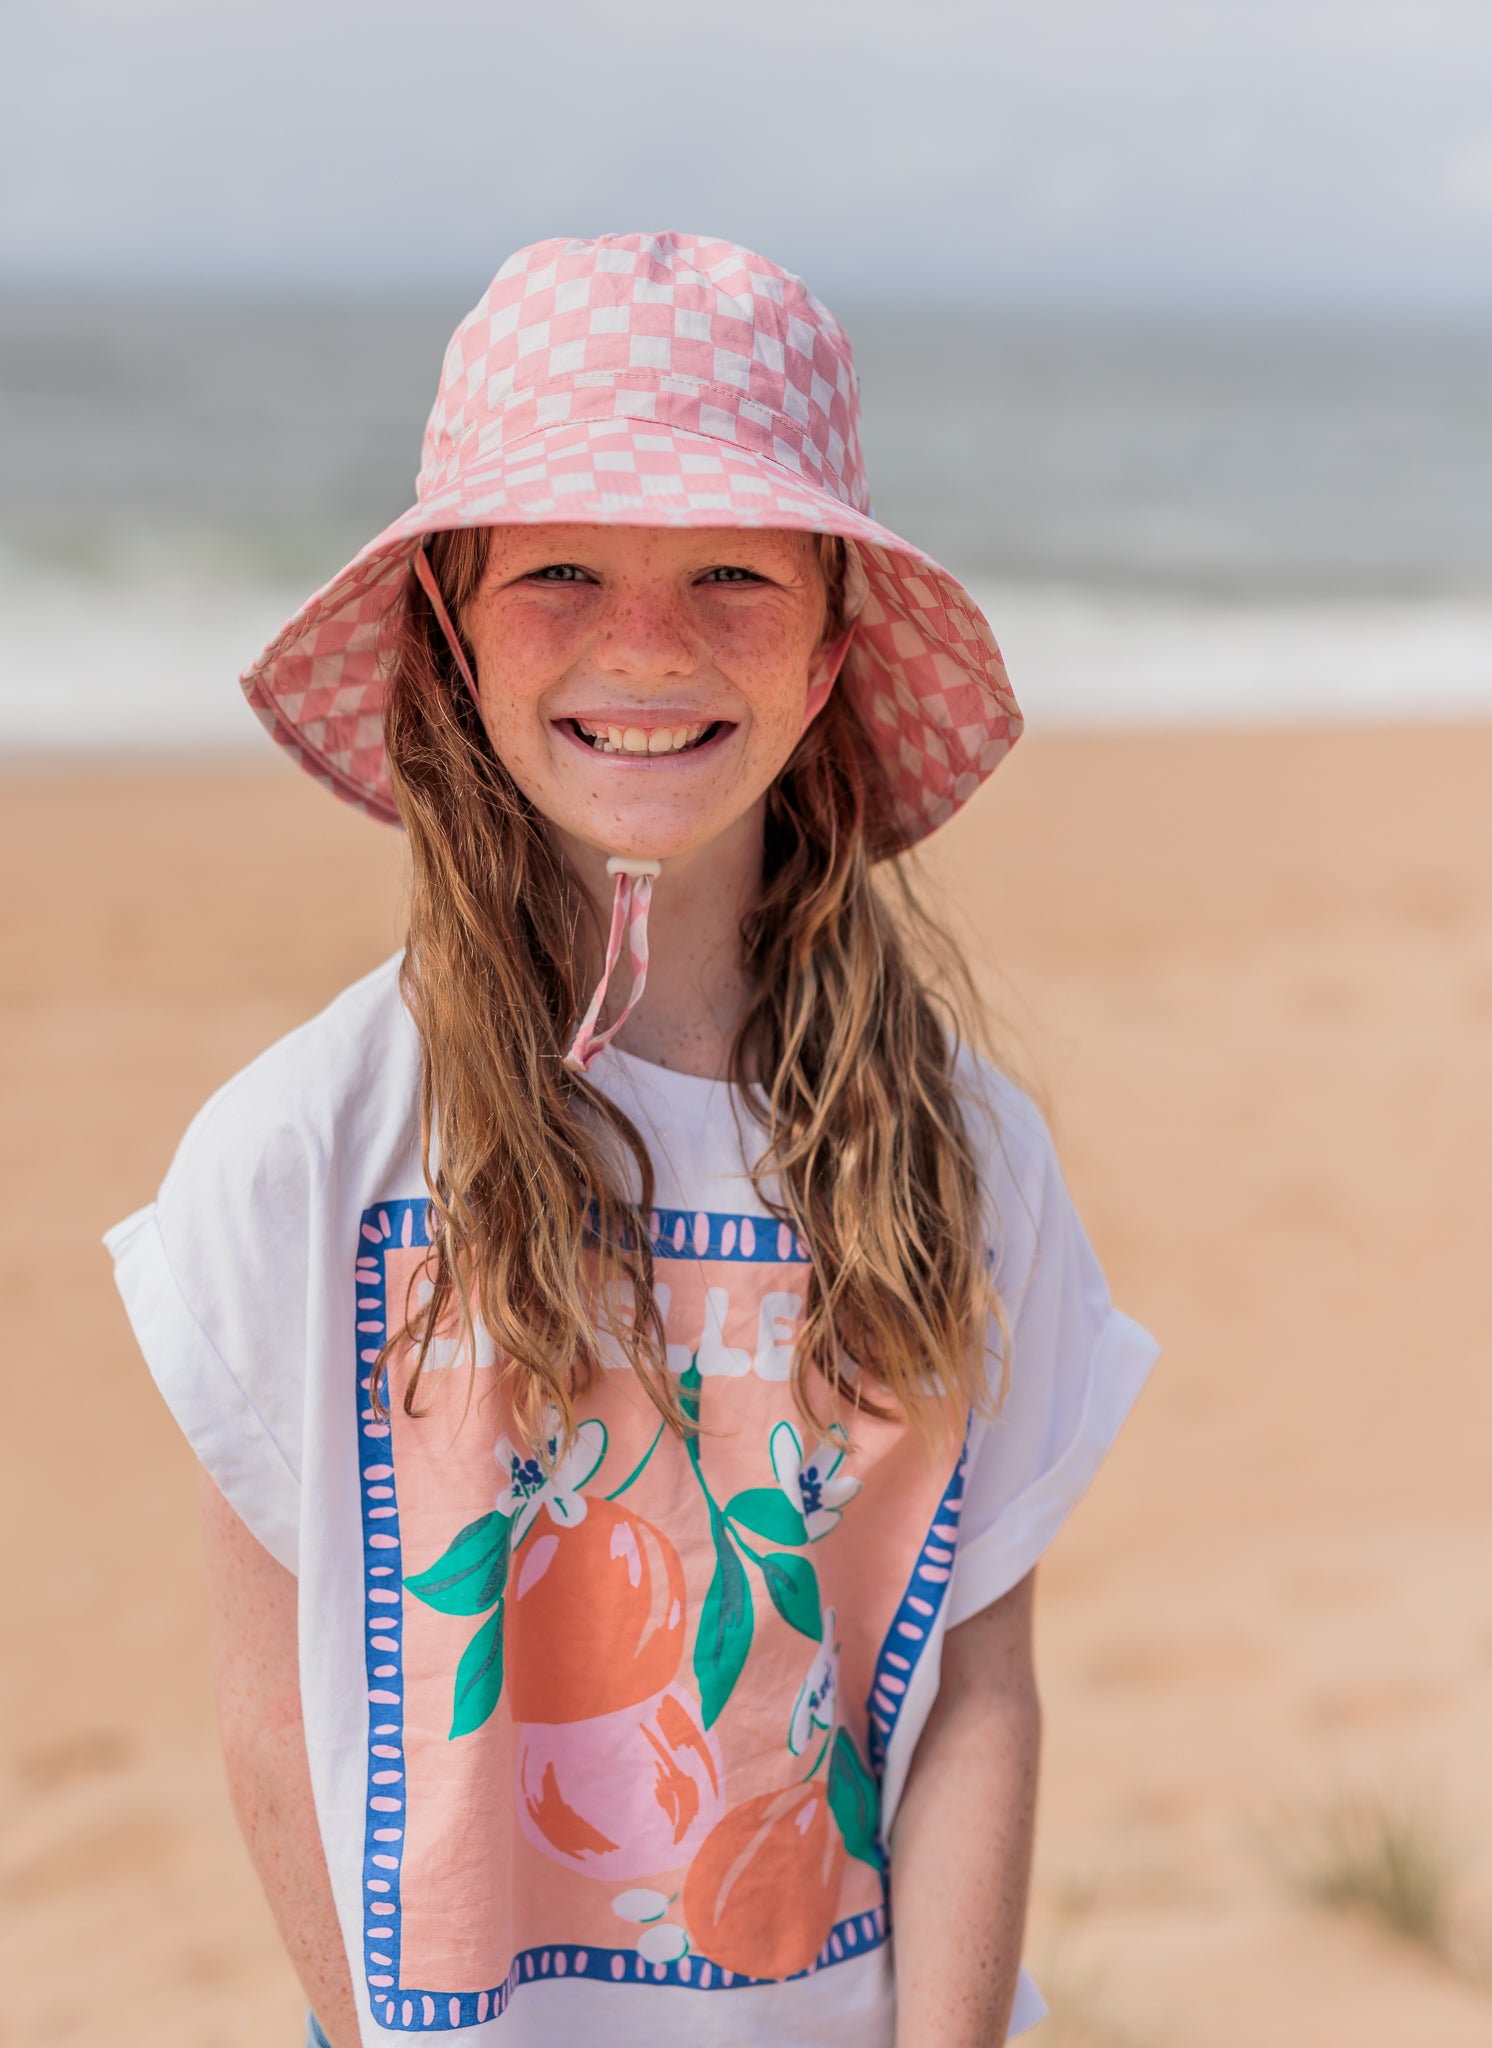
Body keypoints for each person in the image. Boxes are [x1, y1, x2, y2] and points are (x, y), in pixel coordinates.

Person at [105, 232, 1158, 2048]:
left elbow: (976, 1679)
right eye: (563, 567)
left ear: (833, 652)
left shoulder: (965, 1158)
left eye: (735, 571)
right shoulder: (297, 1152)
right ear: (448, 622)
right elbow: (276, 1706)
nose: (648, 645)